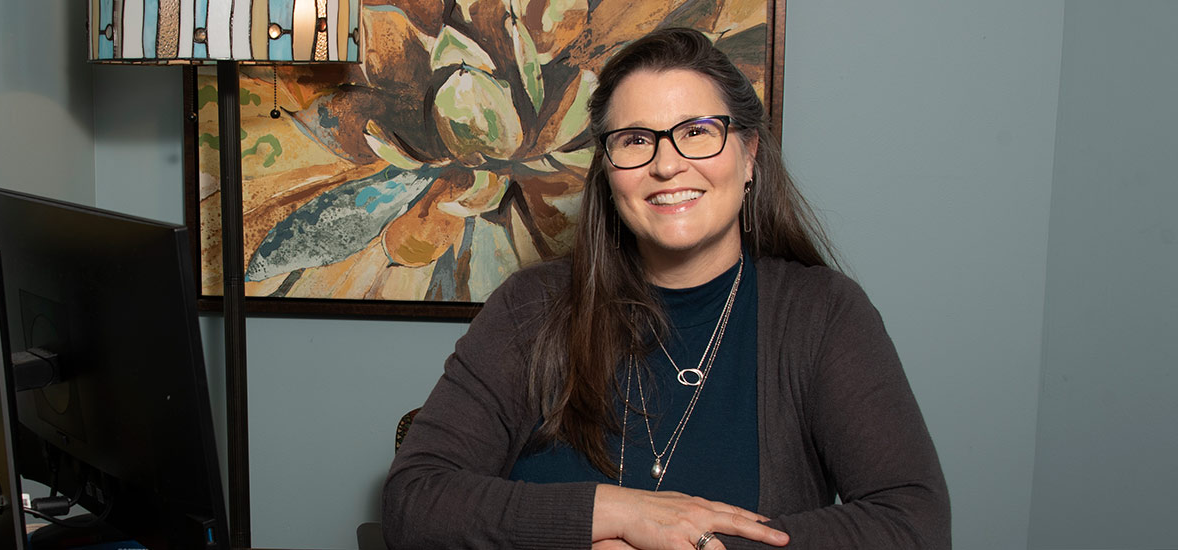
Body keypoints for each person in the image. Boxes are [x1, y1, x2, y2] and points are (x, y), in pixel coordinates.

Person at [382, 27, 950, 549]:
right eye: (635, 140)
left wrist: (699, 546)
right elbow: (414, 502)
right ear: (608, 168)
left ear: (749, 155)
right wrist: (618, 513)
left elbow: (912, 522)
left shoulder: (822, 314)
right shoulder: (529, 307)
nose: (667, 165)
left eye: (697, 132)